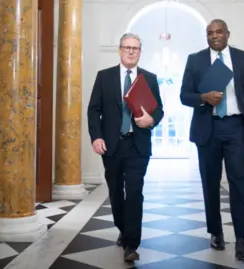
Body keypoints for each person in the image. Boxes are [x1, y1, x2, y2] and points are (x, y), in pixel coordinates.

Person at [180, 19, 244, 260]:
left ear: (228, 33)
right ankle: (216, 231)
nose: (214, 36)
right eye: (210, 33)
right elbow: (184, 95)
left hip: (237, 127)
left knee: (238, 181)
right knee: (210, 182)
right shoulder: (195, 59)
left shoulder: (242, 57)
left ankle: (243, 239)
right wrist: (203, 97)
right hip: (208, 128)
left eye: (218, 32)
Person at [87, 33, 164, 262]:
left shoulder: (149, 78)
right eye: (127, 47)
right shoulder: (104, 77)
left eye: (136, 48)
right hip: (111, 145)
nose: (131, 52)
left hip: (137, 145)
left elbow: (159, 109)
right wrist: (96, 137)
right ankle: (123, 227)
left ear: (140, 52)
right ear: (120, 50)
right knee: (116, 193)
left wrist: (152, 120)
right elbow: (94, 110)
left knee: (134, 193)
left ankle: (131, 243)